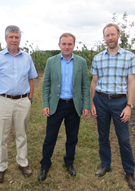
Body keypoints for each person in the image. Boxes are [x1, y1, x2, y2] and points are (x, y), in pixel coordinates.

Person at [90, 23, 135, 190]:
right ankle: (106, 164)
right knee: (103, 136)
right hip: (101, 101)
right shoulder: (98, 58)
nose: (110, 38)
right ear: (104, 38)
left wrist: (129, 105)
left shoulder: (129, 56)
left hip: (120, 102)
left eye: (112, 34)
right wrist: (92, 103)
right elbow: (94, 81)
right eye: (107, 35)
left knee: (123, 139)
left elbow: (132, 82)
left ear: (118, 35)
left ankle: (129, 172)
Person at [0, 25, 38, 184]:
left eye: (17, 37)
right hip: (4, 101)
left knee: (21, 134)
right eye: (11, 37)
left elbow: (31, 80)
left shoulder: (27, 57)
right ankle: (0, 167)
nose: (14, 40)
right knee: (1, 136)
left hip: (23, 101)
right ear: (6, 39)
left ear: (20, 38)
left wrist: (29, 99)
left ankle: (22, 163)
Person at [39, 33, 90, 181]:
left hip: (74, 106)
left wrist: (85, 104)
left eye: (70, 44)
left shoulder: (81, 62)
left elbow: (85, 85)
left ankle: (69, 162)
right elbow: (46, 84)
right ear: (59, 45)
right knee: (50, 138)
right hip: (57, 105)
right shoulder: (51, 61)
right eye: (64, 44)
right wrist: (45, 104)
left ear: (74, 45)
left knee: (72, 137)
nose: (67, 47)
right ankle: (45, 165)